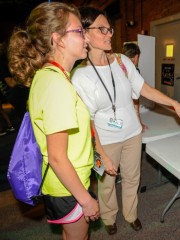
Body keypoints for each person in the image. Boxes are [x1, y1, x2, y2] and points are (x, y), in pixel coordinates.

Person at [71, 6, 180, 236]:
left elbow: (145, 89)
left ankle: (131, 214)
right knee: (107, 183)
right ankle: (108, 217)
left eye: (110, 29)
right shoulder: (80, 75)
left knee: (132, 178)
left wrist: (174, 104)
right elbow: (86, 121)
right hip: (105, 140)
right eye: (102, 29)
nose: (109, 34)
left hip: (132, 134)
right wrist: (101, 153)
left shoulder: (121, 62)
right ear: (85, 34)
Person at [8, 2, 99, 239]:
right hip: (68, 186)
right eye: (79, 31)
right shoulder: (57, 84)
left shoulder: (47, 76)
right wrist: (86, 199)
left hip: (59, 184)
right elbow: (58, 157)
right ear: (58, 39)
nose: (85, 37)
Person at [122, 42, 148, 132]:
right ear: (136, 56)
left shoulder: (115, 66)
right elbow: (135, 98)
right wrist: (139, 123)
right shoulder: (134, 71)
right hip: (128, 112)